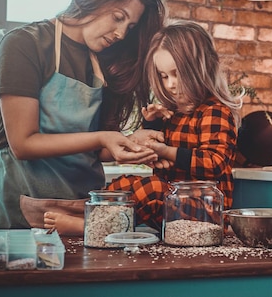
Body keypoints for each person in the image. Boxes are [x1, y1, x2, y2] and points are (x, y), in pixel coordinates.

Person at [0, 0, 166, 230]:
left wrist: (128, 143)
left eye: (130, 26)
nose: (121, 33)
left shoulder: (107, 62)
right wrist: (102, 138)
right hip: (23, 214)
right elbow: (22, 144)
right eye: (117, 17)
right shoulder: (25, 45)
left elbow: (95, 149)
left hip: (82, 213)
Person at [45, 20, 243, 233]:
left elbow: (214, 163)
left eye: (177, 74)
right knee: (123, 185)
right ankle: (94, 218)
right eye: (164, 76)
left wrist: (167, 151)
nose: (170, 84)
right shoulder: (172, 114)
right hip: (173, 209)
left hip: (206, 212)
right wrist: (152, 126)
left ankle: (90, 227)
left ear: (200, 68)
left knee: (152, 189)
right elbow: (162, 163)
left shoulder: (215, 111)